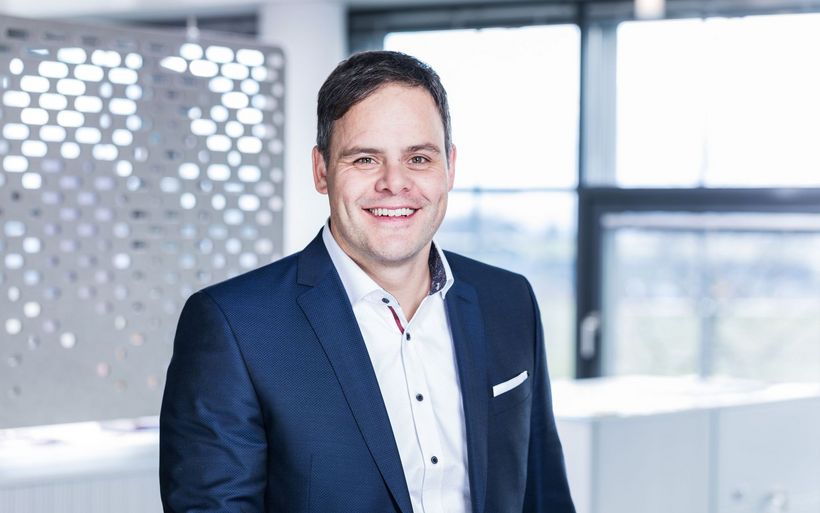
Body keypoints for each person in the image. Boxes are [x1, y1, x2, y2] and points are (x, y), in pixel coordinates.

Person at [159, 50, 575, 513]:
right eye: (365, 159)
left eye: (419, 158)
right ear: (321, 170)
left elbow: (544, 495)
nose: (395, 183)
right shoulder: (235, 326)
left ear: (450, 167)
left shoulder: (509, 301)